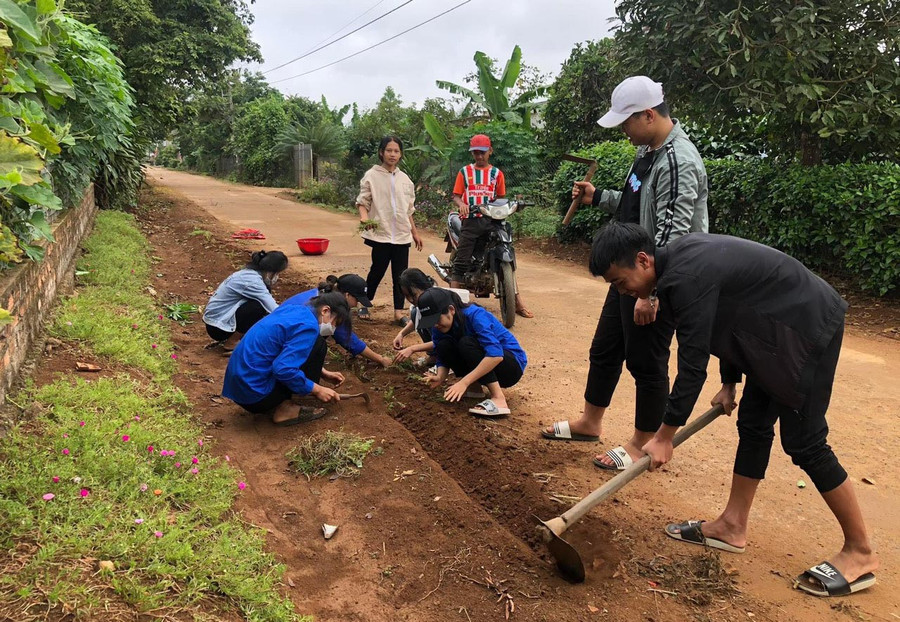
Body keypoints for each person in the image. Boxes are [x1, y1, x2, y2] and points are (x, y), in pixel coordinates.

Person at [590, 221, 878, 598]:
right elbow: (727, 314)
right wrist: (730, 381)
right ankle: (732, 525)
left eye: (619, 282)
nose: (622, 293)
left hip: (806, 328)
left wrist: (664, 436)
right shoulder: (675, 268)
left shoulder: (684, 276)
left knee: (805, 441)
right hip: (772, 331)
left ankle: (860, 552)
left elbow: (692, 365)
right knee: (754, 423)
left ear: (643, 260)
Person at [542, 76, 708, 473]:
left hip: (654, 278)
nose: (622, 130)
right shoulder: (647, 153)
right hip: (630, 270)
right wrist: (597, 196)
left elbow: (674, 232)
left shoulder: (678, 161)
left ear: (649, 115)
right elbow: (635, 207)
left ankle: (642, 442)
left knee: (646, 361)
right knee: (605, 349)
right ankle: (590, 422)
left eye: (626, 122)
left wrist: (651, 294)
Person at [221, 291, 350, 426]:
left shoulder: (295, 309)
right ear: (325, 310)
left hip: (238, 385)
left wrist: (322, 372)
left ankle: (295, 391)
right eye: (335, 322)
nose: (333, 329)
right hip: (255, 394)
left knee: (314, 344)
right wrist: (317, 389)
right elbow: (283, 369)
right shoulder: (308, 327)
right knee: (319, 344)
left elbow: (278, 347)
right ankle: (285, 408)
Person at [450, 134, 533, 319]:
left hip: (493, 221)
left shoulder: (497, 174)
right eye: (476, 153)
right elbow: (456, 195)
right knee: (462, 261)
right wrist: (461, 204)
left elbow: (501, 198)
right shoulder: (464, 172)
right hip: (471, 220)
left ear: (490, 151)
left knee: (507, 255)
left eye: (483, 152)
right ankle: (452, 306)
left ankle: (517, 302)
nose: (479, 156)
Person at [416, 288, 526, 417]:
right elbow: (441, 351)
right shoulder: (439, 327)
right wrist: (440, 377)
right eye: (431, 322)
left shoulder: (475, 315)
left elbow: (495, 355)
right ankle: (475, 389)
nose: (435, 325)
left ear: (451, 310)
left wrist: (464, 382)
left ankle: (499, 399)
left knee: (466, 343)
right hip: (489, 364)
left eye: (436, 320)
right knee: (443, 344)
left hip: (510, 366)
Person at [357, 136, 423, 324]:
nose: (392, 154)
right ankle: (364, 303)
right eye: (389, 150)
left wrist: (415, 232)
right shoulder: (372, 175)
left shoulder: (405, 179)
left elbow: (408, 210)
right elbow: (362, 202)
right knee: (377, 271)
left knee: (401, 276)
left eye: (396, 151)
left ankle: (398, 312)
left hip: (402, 236)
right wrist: (365, 218)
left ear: (400, 154)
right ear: (381, 152)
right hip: (382, 234)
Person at [281, 274, 392, 368]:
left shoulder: (321, 294)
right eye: (357, 300)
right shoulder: (329, 308)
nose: (356, 305)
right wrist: (380, 359)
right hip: (282, 343)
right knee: (319, 346)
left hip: (278, 333)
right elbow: (348, 339)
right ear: (347, 295)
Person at [203, 250, 289, 346]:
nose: (277, 277)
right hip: (218, 328)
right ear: (270, 271)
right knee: (259, 306)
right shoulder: (252, 281)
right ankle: (232, 342)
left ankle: (239, 337)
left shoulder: (248, 274)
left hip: (217, 321)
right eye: (277, 273)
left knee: (261, 304)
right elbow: (273, 308)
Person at [391, 268, 470, 369]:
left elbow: (443, 339)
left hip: (458, 343)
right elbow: (417, 319)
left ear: (423, 286)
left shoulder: (434, 302)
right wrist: (401, 334)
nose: (410, 299)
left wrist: (412, 349)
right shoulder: (424, 301)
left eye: (413, 295)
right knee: (415, 312)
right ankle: (435, 357)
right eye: (407, 296)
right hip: (447, 341)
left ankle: (447, 362)